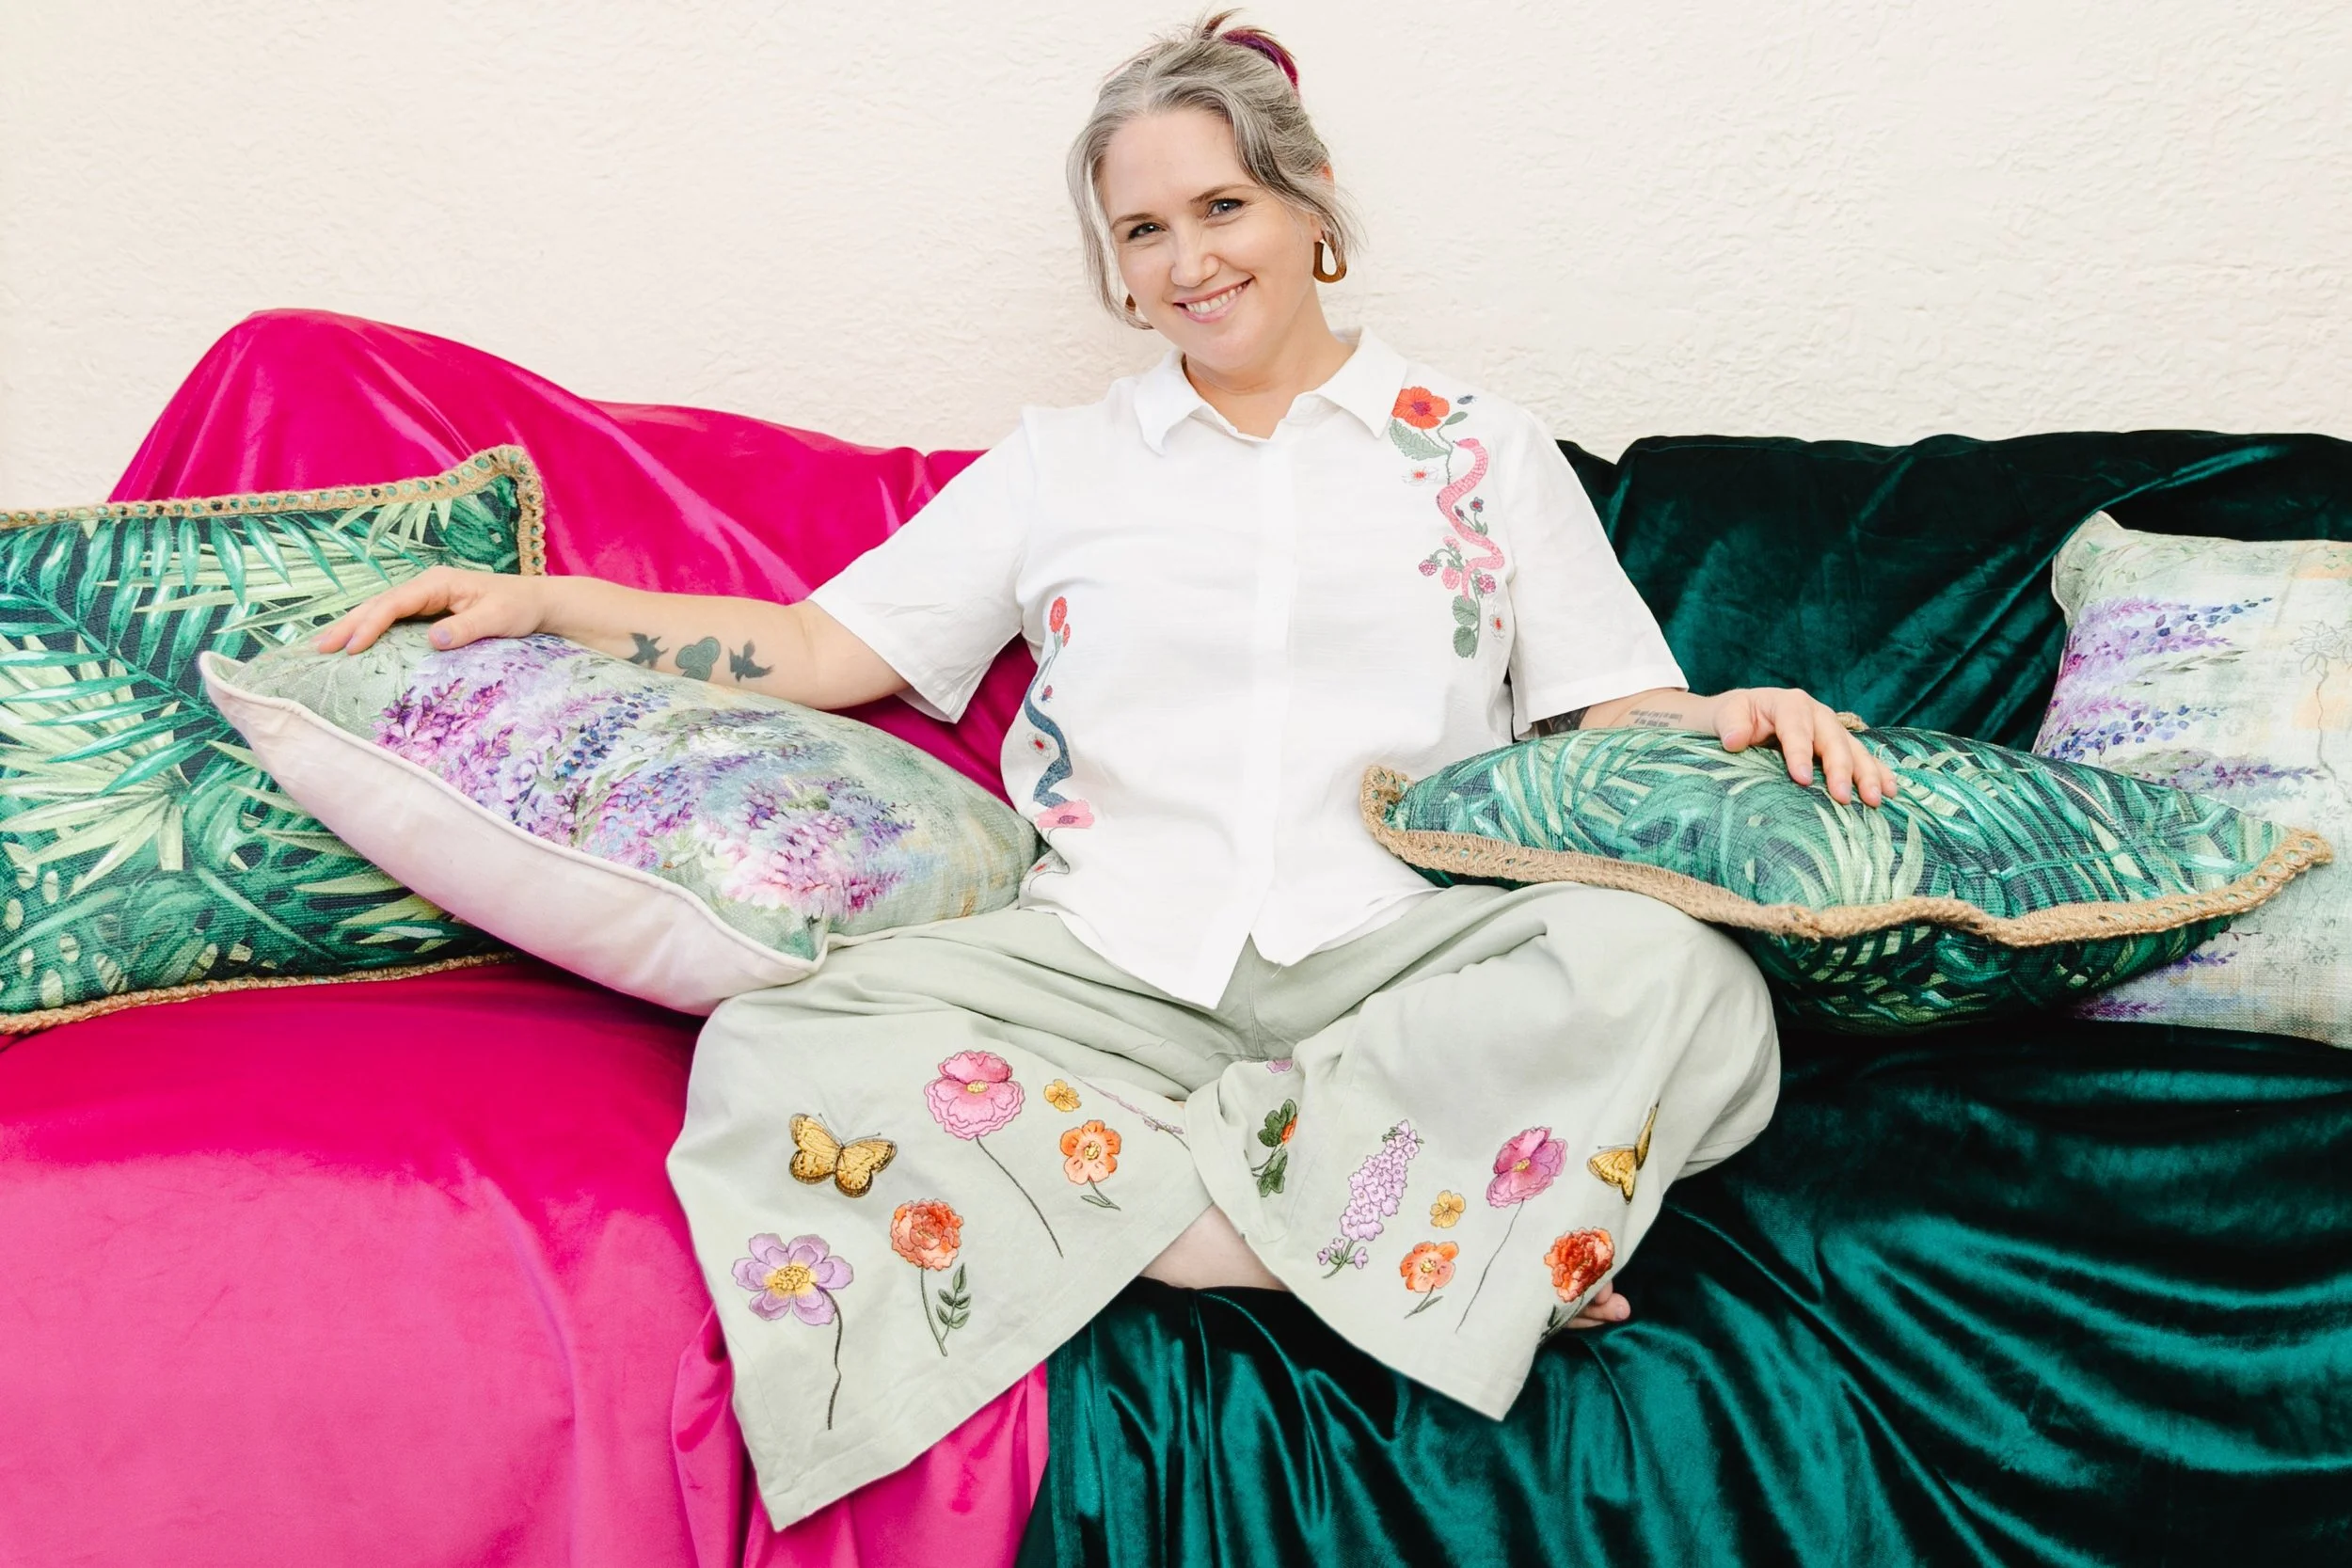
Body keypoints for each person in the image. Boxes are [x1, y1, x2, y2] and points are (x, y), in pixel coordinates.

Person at [321, 12, 1896, 1527]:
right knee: (775, 1040)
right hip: (1107, 970)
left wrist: (1733, 713)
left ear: (1310, 200)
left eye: (1222, 206)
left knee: (1680, 976)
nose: (1189, 259)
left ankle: (1211, 1198)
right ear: (1116, 270)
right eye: (1144, 232)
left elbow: (1606, 718)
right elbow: (813, 647)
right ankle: (1293, 1241)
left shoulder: (1481, 449)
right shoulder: (1061, 468)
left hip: (1399, 956)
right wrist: (550, 606)